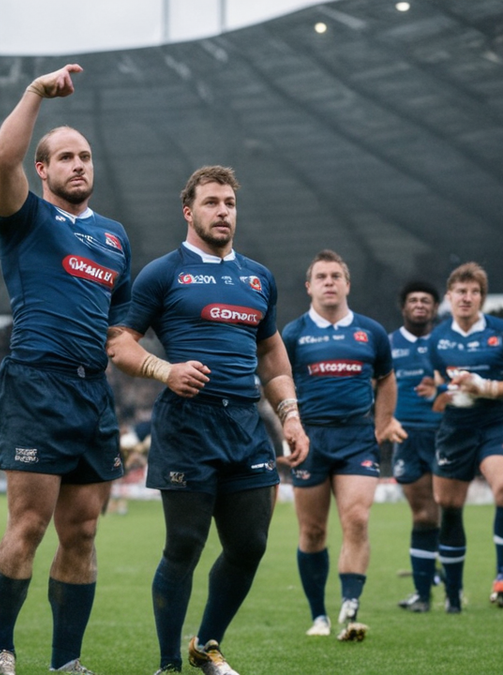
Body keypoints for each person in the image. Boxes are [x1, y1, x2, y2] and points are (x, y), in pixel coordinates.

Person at [107, 165, 309, 675]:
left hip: (245, 424)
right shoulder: (163, 272)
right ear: (189, 210)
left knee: (250, 545)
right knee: (185, 545)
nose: (223, 211)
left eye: (230, 204)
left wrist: (290, 415)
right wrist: (164, 369)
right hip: (186, 425)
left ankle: (207, 645)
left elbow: (272, 357)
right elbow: (120, 343)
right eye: (213, 202)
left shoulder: (258, 277)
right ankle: (169, 663)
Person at [0, 64, 132, 675]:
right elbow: (1, 159)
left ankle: (67, 661)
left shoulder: (115, 238)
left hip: (92, 394)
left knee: (83, 533)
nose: (79, 165)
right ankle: (2, 651)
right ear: (42, 170)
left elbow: (120, 327)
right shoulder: (26, 218)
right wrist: (36, 94)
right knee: (28, 527)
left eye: (86, 156)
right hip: (36, 385)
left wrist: (152, 364)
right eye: (65, 157)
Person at [281, 250, 404, 641]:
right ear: (309, 287)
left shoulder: (371, 332)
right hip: (311, 440)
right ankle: (319, 616)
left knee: (357, 519)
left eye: (336, 275)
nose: (329, 282)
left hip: (356, 438)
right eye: (322, 276)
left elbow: (386, 378)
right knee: (313, 531)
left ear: (347, 284)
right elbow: (277, 383)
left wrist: (383, 422)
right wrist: (291, 425)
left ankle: (350, 605)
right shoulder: (293, 334)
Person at [419, 262, 503, 613]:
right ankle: (454, 595)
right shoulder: (438, 338)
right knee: (449, 506)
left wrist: (485, 387)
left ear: (482, 298)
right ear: (449, 297)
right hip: (455, 430)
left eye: (473, 292)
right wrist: (446, 393)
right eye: (460, 292)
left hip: (496, 426)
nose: (466, 298)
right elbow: (436, 387)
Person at [389, 280, 445, 613]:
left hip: (444, 434)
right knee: (423, 515)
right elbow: (376, 385)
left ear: (435, 308)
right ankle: (423, 593)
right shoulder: (388, 342)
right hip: (406, 436)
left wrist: (442, 389)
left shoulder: (447, 342)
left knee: (447, 510)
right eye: (414, 300)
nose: (420, 305)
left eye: (426, 300)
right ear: (404, 307)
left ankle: (453, 589)